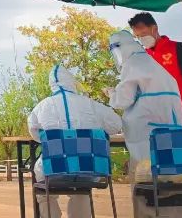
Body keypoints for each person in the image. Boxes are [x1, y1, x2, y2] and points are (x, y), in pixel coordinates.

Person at [128, 12, 182, 217]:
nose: (141, 39)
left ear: (154, 29)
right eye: (137, 36)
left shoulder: (178, 49)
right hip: (157, 126)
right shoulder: (144, 59)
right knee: (164, 173)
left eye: (143, 33)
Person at [108, 30, 182, 218]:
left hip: (147, 141)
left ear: (119, 49)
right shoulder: (155, 65)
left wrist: (112, 94)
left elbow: (123, 100)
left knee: (143, 189)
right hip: (172, 139)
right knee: (173, 189)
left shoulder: (132, 65)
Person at [27, 65, 122, 218]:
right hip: (90, 171)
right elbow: (117, 124)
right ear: (72, 82)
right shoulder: (91, 104)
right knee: (81, 188)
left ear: (51, 84)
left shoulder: (42, 107)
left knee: (43, 186)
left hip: (53, 171)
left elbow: (34, 133)